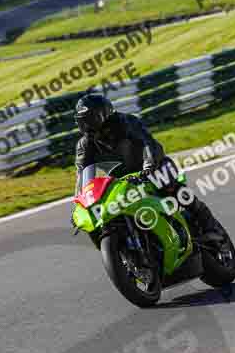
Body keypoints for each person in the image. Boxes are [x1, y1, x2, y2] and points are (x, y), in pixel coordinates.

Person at [73, 93, 223, 242]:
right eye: (83, 121)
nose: (86, 125)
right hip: (123, 184)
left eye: (89, 119)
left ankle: (210, 227)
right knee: (98, 219)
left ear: (102, 114)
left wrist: (148, 168)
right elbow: (82, 173)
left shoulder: (126, 122)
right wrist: (81, 202)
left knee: (173, 188)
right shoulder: (85, 144)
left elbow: (148, 144)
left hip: (154, 168)